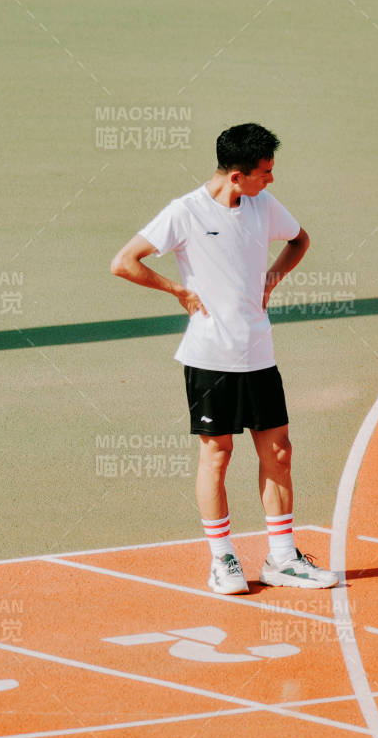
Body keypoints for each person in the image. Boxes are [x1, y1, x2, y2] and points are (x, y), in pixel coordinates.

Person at [110, 122, 337, 594]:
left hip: (259, 351)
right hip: (210, 357)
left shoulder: (263, 206)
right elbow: (125, 261)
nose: (271, 180)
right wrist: (176, 290)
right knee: (218, 453)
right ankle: (223, 561)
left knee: (279, 452)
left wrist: (272, 279)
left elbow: (300, 240)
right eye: (264, 172)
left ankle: (280, 559)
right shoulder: (184, 212)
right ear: (237, 175)